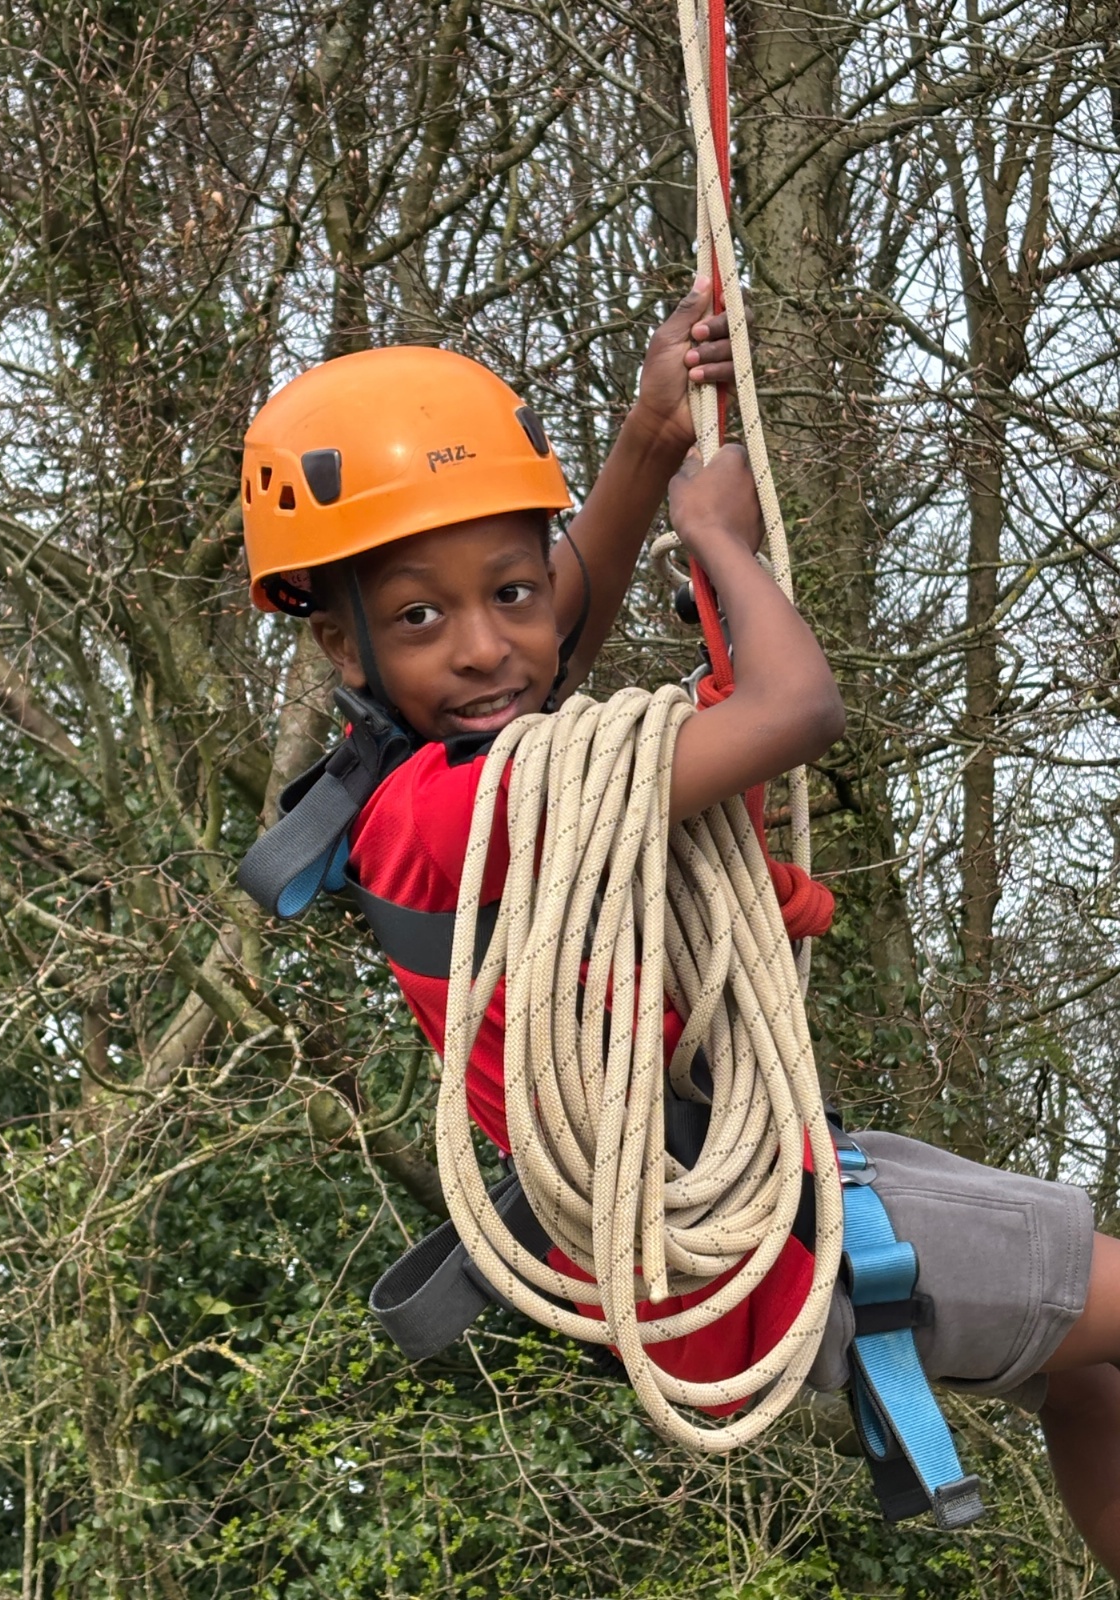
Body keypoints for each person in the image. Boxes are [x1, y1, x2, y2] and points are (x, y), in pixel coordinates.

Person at [238, 280, 1120, 1571]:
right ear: (341, 647)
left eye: (511, 591)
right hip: (745, 1243)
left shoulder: (442, 785)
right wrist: (717, 541)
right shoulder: (451, 812)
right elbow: (793, 709)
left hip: (766, 1202)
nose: (486, 649)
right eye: (422, 616)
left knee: (1093, 1378)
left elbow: (552, 641)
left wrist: (654, 437)